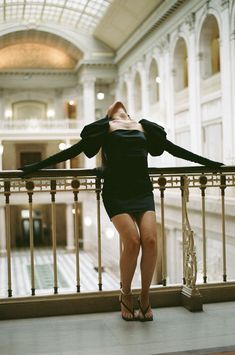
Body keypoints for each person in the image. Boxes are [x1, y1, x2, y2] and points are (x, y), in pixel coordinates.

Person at [20, 101, 223, 322]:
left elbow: (175, 149)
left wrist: (209, 163)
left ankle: (145, 297)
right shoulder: (104, 129)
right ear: (107, 115)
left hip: (142, 191)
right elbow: (73, 151)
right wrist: (34, 167)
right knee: (133, 241)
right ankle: (125, 294)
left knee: (151, 240)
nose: (118, 103)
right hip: (116, 192)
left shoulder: (144, 127)